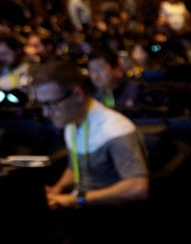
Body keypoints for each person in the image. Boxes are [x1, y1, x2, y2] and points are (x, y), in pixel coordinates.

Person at [35, 60, 149, 211]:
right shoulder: (72, 122)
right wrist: (57, 189)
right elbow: (75, 167)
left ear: (78, 95)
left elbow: (137, 187)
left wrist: (76, 199)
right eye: (42, 105)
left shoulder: (115, 129)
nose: (46, 113)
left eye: (52, 104)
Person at [87, 47, 144, 111]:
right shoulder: (94, 98)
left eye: (99, 69)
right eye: (91, 71)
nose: (95, 76)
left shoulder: (136, 90)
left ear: (118, 69)